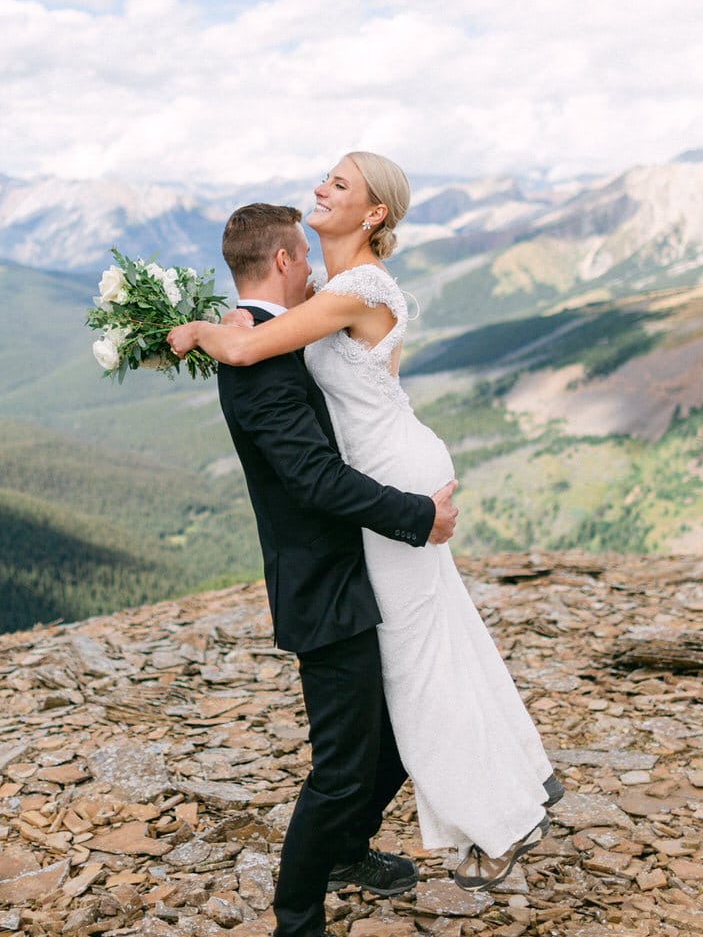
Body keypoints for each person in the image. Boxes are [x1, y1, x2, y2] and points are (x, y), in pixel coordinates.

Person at [169, 153, 561, 897]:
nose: (321, 188)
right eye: (325, 178)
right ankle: (403, 825)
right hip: (389, 466)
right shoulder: (333, 290)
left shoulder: (357, 287)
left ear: (374, 213)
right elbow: (305, 343)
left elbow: (252, 345)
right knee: (419, 656)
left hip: (392, 481)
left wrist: (192, 330)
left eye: (340, 185)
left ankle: (493, 821)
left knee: (416, 665)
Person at [189, 202, 461, 937]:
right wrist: (415, 515)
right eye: (301, 258)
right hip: (325, 584)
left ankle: (345, 849)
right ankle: (297, 917)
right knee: (341, 766)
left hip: (359, 573)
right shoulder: (258, 363)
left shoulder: (256, 337)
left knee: (401, 731)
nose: (311, 267)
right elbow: (314, 481)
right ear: (281, 262)